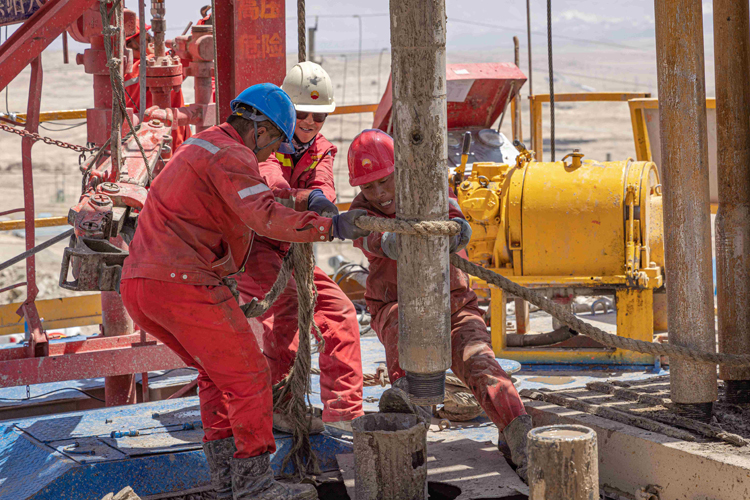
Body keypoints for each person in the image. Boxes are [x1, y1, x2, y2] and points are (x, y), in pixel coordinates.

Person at [121, 83, 369, 500]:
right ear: (259, 129)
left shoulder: (202, 145)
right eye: (273, 142)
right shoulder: (233, 153)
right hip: (186, 283)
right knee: (251, 376)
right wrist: (330, 227)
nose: (270, 152)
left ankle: (226, 483)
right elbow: (264, 214)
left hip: (142, 285)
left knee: (217, 376)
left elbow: (259, 197)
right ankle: (254, 486)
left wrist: (308, 198)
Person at [347, 129, 533, 482]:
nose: (379, 193)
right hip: (395, 306)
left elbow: (450, 207)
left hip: (454, 306)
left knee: (482, 365)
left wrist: (457, 224)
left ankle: (519, 436)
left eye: (385, 181)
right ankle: (404, 450)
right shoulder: (361, 211)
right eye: (369, 187)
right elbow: (365, 234)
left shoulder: (430, 188)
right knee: (406, 360)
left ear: (401, 170)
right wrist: (389, 241)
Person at [236, 62, 364, 432]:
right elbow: (272, 187)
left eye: (319, 116)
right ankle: (281, 405)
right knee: (287, 307)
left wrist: (322, 198)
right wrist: (310, 200)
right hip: (251, 247)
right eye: (302, 113)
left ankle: (343, 412)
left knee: (339, 312)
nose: (309, 122)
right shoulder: (264, 144)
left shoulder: (320, 149)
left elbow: (323, 181)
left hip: (290, 246)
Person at [123, 19, 191, 149]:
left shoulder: (122, 71)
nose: (152, 40)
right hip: (167, 142)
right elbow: (190, 56)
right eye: (146, 38)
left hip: (142, 143)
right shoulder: (149, 66)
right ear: (129, 45)